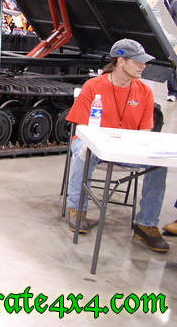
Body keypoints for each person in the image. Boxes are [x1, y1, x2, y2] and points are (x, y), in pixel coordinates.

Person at [65, 39, 168, 252]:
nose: (143, 65)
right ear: (121, 61)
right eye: (138, 61)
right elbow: (82, 128)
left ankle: (146, 224)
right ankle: (77, 210)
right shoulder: (93, 86)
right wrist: (97, 143)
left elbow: (144, 133)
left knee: (160, 164)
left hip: (127, 148)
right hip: (93, 142)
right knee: (84, 152)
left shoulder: (145, 91)